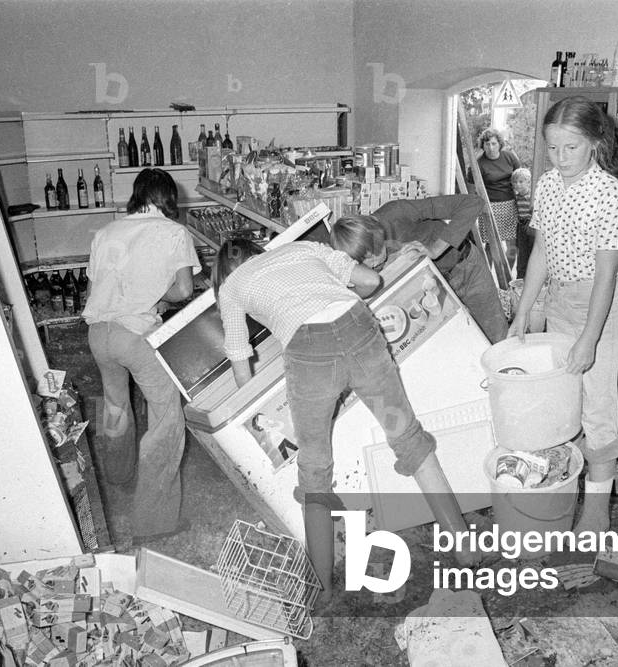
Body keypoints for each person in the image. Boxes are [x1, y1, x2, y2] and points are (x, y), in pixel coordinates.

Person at [212, 239, 474, 603]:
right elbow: (370, 282)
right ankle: (464, 548)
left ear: (223, 273)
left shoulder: (231, 286)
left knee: (315, 469)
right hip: (359, 328)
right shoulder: (301, 247)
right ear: (259, 250)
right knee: (409, 437)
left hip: (309, 355)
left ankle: (323, 589)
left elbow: (241, 363)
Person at [509, 96, 618, 537]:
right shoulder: (545, 185)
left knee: (597, 406)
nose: (561, 158)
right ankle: (564, 492)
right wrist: (525, 310)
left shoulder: (610, 196)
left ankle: (597, 513)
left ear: (596, 143)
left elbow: (605, 278)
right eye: (553, 148)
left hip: (597, 308)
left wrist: (588, 341)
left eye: (572, 148)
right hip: (559, 301)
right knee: (565, 402)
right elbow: (541, 252)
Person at [81, 168, 200, 543]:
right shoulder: (173, 232)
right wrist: (158, 299)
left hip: (98, 333)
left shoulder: (105, 232)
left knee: (115, 405)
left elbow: (94, 286)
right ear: (167, 198)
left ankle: (116, 476)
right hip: (137, 336)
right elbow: (183, 290)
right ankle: (155, 521)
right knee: (165, 420)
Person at [331, 194, 508, 343]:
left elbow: (472, 203)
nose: (372, 265)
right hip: (435, 287)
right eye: (363, 263)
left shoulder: (397, 211)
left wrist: (435, 249)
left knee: (496, 337)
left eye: (371, 256)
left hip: (466, 269)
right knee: (458, 345)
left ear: (377, 235)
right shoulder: (355, 255)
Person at [469, 127, 522, 270]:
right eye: (487, 144)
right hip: (489, 207)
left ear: (499, 144)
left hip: (510, 205)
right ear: (483, 146)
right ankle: (492, 281)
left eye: (493, 143)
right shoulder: (478, 164)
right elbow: (471, 189)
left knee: (512, 245)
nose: (491, 147)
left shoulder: (509, 157)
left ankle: (508, 280)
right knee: (490, 246)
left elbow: (521, 177)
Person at [511, 167, 534, 279]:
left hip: (531, 226)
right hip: (521, 226)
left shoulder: (532, 196)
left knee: (532, 252)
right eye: (515, 182)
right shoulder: (516, 197)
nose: (518, 185)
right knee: (522, 253)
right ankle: (520, 277)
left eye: (521, 182)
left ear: (529, 182)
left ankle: (532, 277)